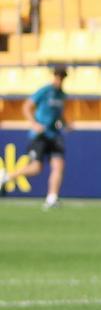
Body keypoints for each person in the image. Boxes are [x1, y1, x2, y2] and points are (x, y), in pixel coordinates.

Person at [0, 65, 68, 209]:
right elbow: (26, 106)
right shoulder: (45, 91)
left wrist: (65, 124)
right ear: (54, 76)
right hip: (40, 135)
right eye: (58, 77)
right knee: (36, 168)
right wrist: (34, 124)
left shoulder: (62, 95)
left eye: (62, 78)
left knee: (58, 165)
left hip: (54, 135)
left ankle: (52, 198)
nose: (59, 80)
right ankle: (6, 176)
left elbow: (59, 115)